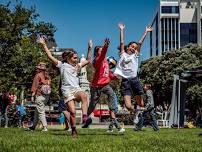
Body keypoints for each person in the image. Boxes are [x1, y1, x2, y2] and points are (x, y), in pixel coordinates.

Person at [37, 36, 92, 137]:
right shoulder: (61, 64)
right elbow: (50, 57)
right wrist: (44, 44)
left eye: (77, 58)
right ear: (68, 58)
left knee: (84, 95)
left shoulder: (77, 66)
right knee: (72, 112)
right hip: (66, 91)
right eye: (75, 58)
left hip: (76, 89)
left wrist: (89, 48)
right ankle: (74, 130)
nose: (77, 59)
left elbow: (88, 60)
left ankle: (85, 117)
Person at [82, 38, 125, 133]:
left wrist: (116, 77)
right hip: (96, 86)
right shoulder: (97, 60)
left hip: (105, 85)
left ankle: (113, 115)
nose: (103, 52)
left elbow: (108, 73)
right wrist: (106, 46)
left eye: (103, 50)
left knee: (112, 95)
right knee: (92, 105)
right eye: (101, 51)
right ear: (97, 53)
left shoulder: (105, 60)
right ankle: (85, 118)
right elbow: (103, 55)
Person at [114, 23, 152, 117]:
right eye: (132, 46)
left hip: (135, 81)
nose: (133, 48)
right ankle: (136, 113)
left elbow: (140, 43)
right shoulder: (123, 54)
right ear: (128, 47)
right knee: (128, 106)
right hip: (125, 82)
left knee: (141, 104)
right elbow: (122, 42)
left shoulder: (135, 55)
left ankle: (145, 114)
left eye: (135, 48)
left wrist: (146, 32)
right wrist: (121, 30)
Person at [29, 62, 51, 132]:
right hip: (46, 96)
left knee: (41, 112)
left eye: (37, 68)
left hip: (40, 95)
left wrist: (32, 96)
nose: (36, 69)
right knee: (37, 111)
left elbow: (34, 86)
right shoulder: (47, 76)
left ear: (39, 69)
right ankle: (33, 126)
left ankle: (45, 127)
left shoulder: (38, 75)